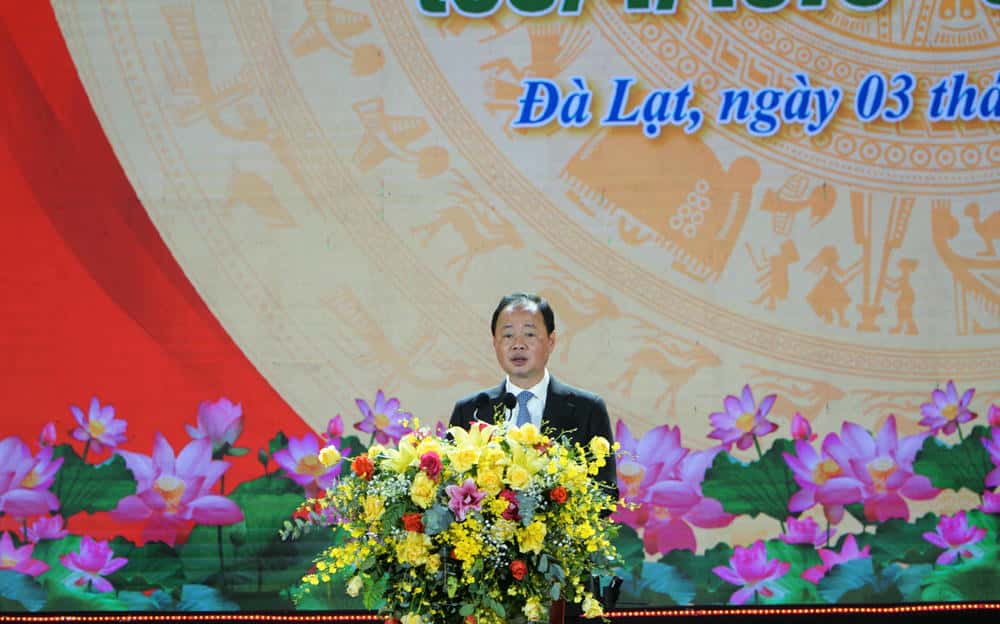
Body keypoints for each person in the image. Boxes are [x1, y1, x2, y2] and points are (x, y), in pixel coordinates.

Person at [448, 292, 618, 500]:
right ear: (495, 343)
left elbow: (606, 492)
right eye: (508, 335)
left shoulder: (587, 409)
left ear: (551, 341)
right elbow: (449, 489)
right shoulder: (471, 410)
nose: (518, 344)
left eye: (529, 334)